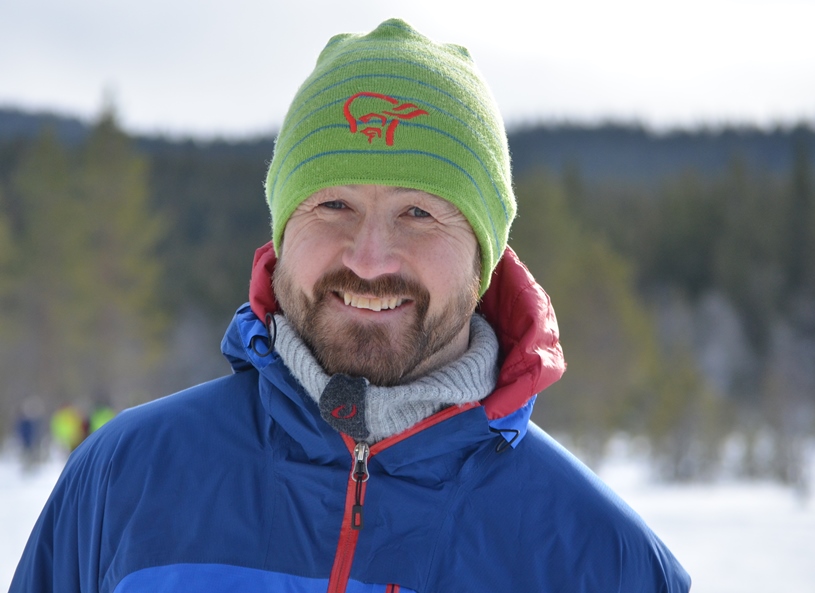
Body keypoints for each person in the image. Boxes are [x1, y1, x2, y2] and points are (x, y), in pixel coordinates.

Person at [11, 19, 691, 593]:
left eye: (418, 213)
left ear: (484, 259)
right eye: (333, 204)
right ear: (282, 234)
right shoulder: (123, 481)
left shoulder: (601, 560)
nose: (369, 259)